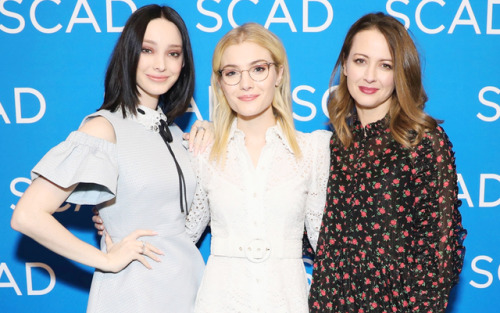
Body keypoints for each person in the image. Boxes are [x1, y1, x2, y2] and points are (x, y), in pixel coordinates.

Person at [11, 5, 209, 312]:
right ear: (129, 54)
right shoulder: (104, 127)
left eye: (173, 53)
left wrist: (207, 133)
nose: (161, 64)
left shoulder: (173, 133)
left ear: (184, 63)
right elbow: (27, 215)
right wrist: (106, 259)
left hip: (189, 288)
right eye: (147, 50)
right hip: (134, 292)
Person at [308, 12, 466, 312]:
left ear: (401, 73)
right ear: (344, 65)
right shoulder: (332, 144)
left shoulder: (423, 142)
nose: (369, 76)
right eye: (360, 61)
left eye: (385, 65)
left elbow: (439, 258)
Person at [183, 23, 331, 313]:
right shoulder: (203, 151)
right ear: (221, 83)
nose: (246, 84)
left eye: (258, 69)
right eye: (232, 73)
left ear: (279, 74)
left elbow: (323, 243)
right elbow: (182, 235)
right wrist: (116, 217)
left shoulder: (314, 150)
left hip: (288, 301)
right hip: (219, 300)